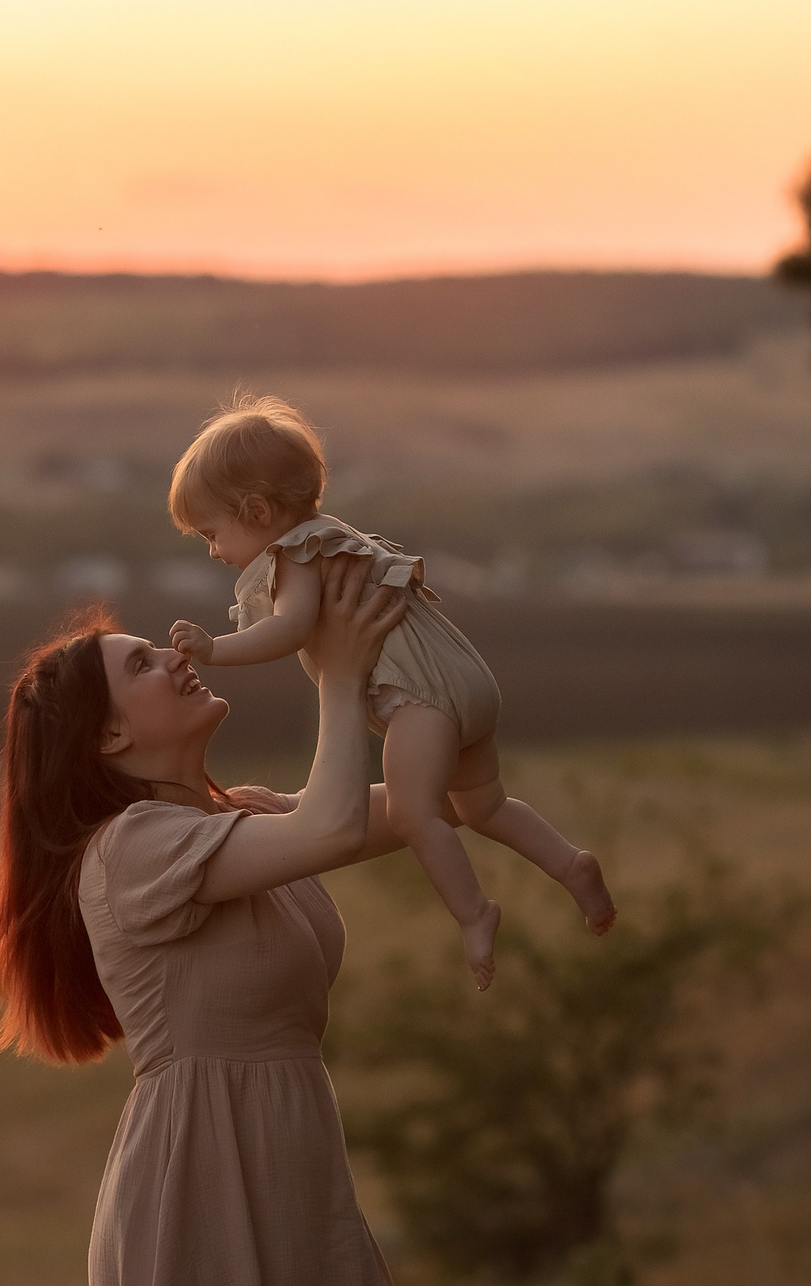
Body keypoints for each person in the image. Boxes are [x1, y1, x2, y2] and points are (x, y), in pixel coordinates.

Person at [0, 555, 462, 1286]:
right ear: (110, 733)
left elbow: (424, 804)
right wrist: (340, 676)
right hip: (199, 1182)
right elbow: (331, 827)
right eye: (143, 663)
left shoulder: (238, 814)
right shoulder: (130, 849)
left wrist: (424, 675)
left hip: (289, 1170)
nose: (174, 657)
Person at [165, 393, 615, 988]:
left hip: (421, 699)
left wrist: (214, 648)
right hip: (466, 681)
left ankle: (474, 914)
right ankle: (570, 864)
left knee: (412, 814)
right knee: (481, 803)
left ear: (255, 510)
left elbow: (289, 629)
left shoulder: (293, 554)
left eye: (211, 533)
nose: (214, 550)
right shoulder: (339, 535)